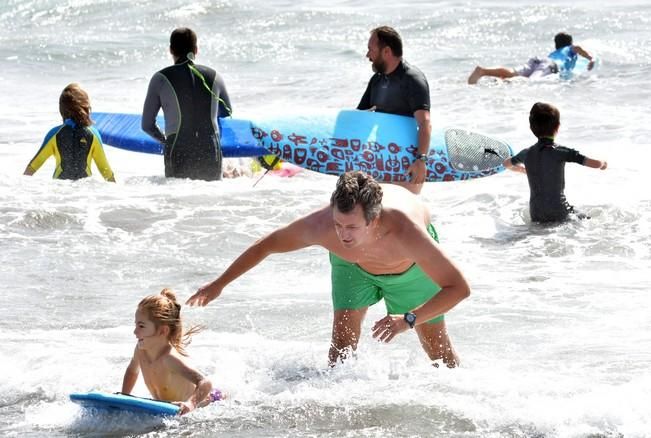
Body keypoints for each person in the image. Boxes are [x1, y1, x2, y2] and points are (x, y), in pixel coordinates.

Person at [187, 171, 470, 368]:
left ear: (373, 221)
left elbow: (459, 288)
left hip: (410, 271)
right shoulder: (322, 225)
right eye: (338, 224)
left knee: (439, 354)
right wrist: (218, 284)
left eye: (351, 227)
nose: (342, 235)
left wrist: (409, 319)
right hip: (353, 267)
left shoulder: (406, 231)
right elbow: (266, 245)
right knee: (341, 350)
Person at [142, 27, 232, 181]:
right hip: (210, 147)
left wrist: (165, 140)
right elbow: (227, 111)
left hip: (178, 147)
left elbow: (147, 125)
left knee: (178, 200)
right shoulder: (215, 76)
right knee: (212, 199)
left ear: (171, 50)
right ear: (196, 50)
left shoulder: (160, 78)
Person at [121, 288, 223, 415]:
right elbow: (132, 371)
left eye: (141, 326)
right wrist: (123, 397)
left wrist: (190, 404)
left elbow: (205, 383)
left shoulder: (169, 359)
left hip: (209, 402)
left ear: (163, 331)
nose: (135, 332)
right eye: (135, 325)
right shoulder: (140, 349)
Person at [503, 102, 607, 223]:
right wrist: (603, 164)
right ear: (557, 127)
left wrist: (523, 170)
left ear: (532, 128)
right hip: (559, 212)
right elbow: (595, 164)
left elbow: (506, 164)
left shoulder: (526, 153)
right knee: (590, 220)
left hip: (536, 213)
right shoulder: (562, 151)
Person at [357, 26, 432, 194]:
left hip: (406, 164)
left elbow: (425, 123)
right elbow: (360, 117)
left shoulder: (412, 79)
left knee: (403, 212)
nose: (367, 55)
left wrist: (421, 161)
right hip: (381, 159)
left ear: (386, 52)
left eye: (371, 50)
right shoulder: (377, 80)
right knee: (375, 214)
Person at [23, 83, 115, 182]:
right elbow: (105, 170)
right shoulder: (93, 134)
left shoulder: (55, 134)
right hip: (85, 192)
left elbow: (33, 166)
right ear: (86, 108)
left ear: (61, 110)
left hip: (60, 190)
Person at [467, 32, 595, 84]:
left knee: (513, 73)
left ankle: (483, 71)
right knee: (531, 82)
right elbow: (579, 49)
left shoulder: (555, 52)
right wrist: (591, 59)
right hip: (550, 65)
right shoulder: (571, 48)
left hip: (539, 60)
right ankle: (503, 83)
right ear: (570, 43)